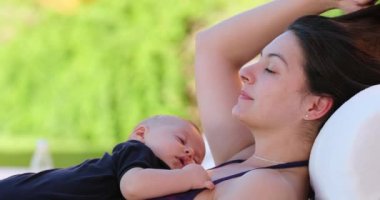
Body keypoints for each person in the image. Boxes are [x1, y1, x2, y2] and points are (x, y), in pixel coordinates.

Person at [152, 0, 380, 199]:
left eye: (271, 69)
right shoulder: (244, 156)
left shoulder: (266, 187)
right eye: (260, 59)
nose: (246, 73)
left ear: (315, 105)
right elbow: (213, 47)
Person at [0, 115, 214, 200]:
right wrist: (188, 178)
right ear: (141, 134)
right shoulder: (137, 151)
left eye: (197, 159)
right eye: (181, 140)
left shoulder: (157, 178)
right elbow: (134, 186)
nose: (189, 153)